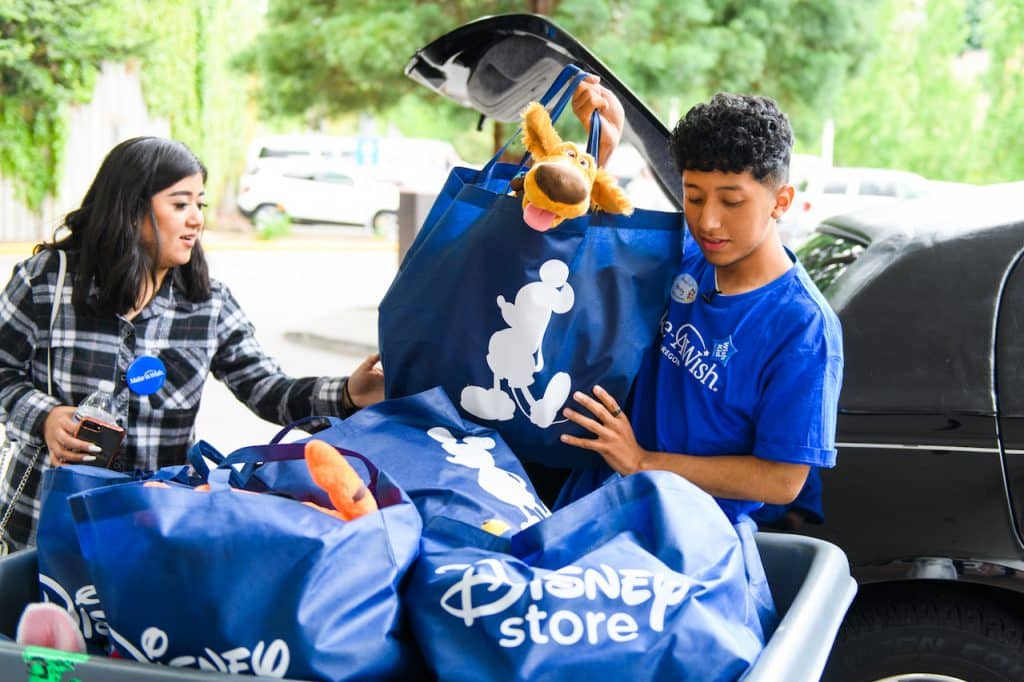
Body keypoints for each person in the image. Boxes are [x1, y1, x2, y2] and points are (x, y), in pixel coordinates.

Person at [0, 137, 384, 552]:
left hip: (152, 532)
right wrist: (46, 417)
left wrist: (347, 393)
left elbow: (269, 390)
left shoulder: (209, 303)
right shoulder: (47, 282)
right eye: (180, 204)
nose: (196, 220)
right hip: (44, 527)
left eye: (199, 205)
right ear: (130, 209)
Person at [559, 90, 843, 530]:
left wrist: (642, 462)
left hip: (688, 542)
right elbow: (584, 247)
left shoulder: (803, 327)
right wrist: (601, 151)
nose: (708, 221)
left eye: (731, 202)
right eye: (693, 197)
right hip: (597, 506)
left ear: (781, 202)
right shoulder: (682, 255)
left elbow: (782, 480)